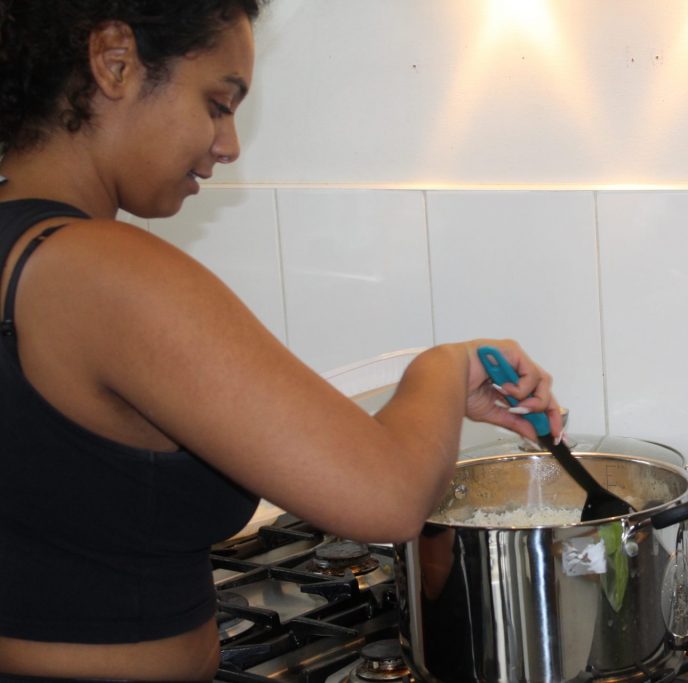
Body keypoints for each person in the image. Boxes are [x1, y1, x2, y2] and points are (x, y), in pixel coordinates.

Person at [0, 1, 563, 679]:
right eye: (217, 102)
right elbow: (386, 497)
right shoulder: (103, 269)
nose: (228, 143)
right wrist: (444, 366)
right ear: (116, 62)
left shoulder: (27, 262)